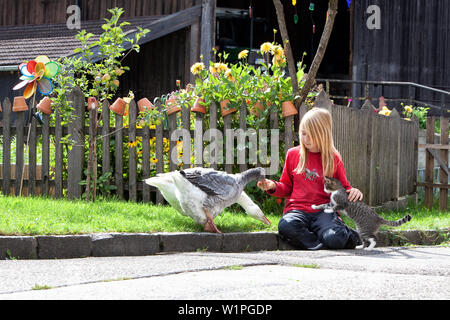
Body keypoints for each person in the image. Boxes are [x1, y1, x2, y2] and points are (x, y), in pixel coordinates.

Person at [257, 107, 363, 250]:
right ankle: (319, 245)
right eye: (303, 134)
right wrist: (273, 186)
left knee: (335, 238)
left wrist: (353, 191)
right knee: (286, 226)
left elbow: (344, 188)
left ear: (322, 135)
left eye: (310, 135)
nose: (305, 139)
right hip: (297, 210)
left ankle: (347, 236)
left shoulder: (333, 158)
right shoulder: (293, 155)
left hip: (324, 212)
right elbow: (286, 188)